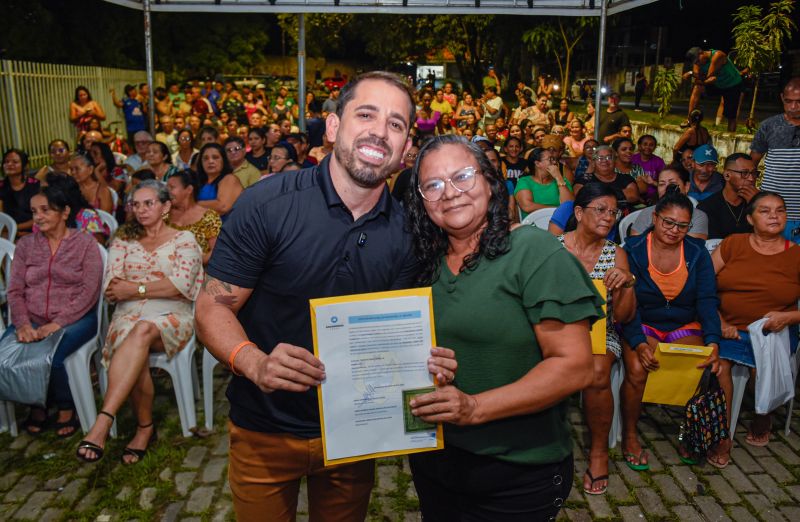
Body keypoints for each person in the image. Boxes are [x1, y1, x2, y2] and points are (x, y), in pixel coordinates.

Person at [194, 71, 457, 521]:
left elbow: (398, 335)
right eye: (366, 114)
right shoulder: (268, 204)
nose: (380, 130)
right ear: (333, 127)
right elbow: (210, 305)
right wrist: (255, 363)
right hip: (265, 428)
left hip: (354, 433)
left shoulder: (409, 233)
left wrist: (427, 364)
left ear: (405, 146)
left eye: (396, 123)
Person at [405, 134, 602, 520]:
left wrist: (474, 408)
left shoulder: (534, 252)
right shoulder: (421, 263)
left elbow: (576, 366)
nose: (450, 193)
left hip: (518, 468)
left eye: (463, 176)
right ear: (421, 200)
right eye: (433, 185)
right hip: (436, 459)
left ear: (491, 182)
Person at [76, 180, 203, 464]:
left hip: (172, 316)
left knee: (142, 330)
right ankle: (144, 428)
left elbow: (180, 286)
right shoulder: (123, 241)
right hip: (127, 317)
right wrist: (156, 284)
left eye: (149, 203)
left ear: (166, 206)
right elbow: (111, 287)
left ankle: (104, 422)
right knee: (134, 337)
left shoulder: (184, 240)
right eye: (136, 204)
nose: (141, 210)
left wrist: (135, 288)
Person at [621, 191, 721, 468]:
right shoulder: (632, 250)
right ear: (654, 218)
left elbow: (707, 300)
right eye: (668, 222)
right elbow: (627, 305)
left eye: (682, 226)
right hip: (642, 322)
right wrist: (639, 342)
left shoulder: (697, 253)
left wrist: (713, 341)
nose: (674, 231)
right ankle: (629, 435)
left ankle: (690, 434)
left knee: (699, 365)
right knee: (639, 370)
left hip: (683, 322)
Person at [709, 192, 800, 467]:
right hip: (728, 328)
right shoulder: (733, 244)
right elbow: (702, 287)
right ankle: (722, 435)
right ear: (750, 218)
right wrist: (718, 321)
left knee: (762, 370)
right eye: (765, 211)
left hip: (774, 330)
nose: (774, 215)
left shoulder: (796, 254)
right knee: (718, 366)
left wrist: (789, 317)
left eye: (780, 211)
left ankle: (763, 415)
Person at [5, 184, 103, 437]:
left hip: (77, 318)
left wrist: (58, 323)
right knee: (8, 352)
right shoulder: (26, 245)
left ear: (65, 211)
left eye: (46, 210)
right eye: (34, 211)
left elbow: (89, 291)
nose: (38, 217)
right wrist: (23, 323)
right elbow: (15, 291)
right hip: (33, 317)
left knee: (54, 356)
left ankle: (66, 406)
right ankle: (36, 402)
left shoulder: (85, 244)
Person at [558, 183, 636, 494]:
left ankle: (599, 451)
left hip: (600, 331)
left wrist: (626, 285)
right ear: (578, 212)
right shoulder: (554, 247)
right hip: (557, 329)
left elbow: (625, 317)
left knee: (599, 371)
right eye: (599, 210)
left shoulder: (616, 254)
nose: (608, 217)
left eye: (613, 212)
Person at [750, 78, 800, 243]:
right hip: (772, 216)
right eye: (789, 101)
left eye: (799, 102)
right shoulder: (768, 126)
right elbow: (751, 166)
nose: (793, 107)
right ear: (782, 98)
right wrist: (755, 196)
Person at [630, 167, 709, 240]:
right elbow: (634, 244)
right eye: (661, 184)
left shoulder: (698, 217)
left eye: (672, 184)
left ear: (686, 186)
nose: (667, 189)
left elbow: (693, 248)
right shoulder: (648, 213)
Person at [697, 153, 759, 240]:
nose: (751, 178)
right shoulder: (707, 207)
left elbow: (765, 238)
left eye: (754, 173)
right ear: (727, 175)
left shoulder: (756, 201)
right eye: (744, 173)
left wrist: (757, 205)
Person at [166, 169, 222, 265]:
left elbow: (216, 251)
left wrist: (193, 265)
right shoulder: (165, 214)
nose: (167, 192)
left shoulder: (209, 217)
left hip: (199, 273)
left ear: (189, 190)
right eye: (167, 188)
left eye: (172, 187)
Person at [683, 47, 743, 132]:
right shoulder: (697, 61)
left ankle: (730, 136)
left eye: (698, 61)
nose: (698, 64)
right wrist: (695, 75)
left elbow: (708, 76)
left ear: (702, 53)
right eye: (696, 63)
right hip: (717, 84)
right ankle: (690, 119)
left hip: (732, 84)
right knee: (697, 86)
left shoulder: (718, 55)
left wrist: (691, 74)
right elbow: (700, 78)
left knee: (731, 116)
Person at [573, 145, 639, 212]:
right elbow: (580, 196)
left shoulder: (625, 178)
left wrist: (595, 194)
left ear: (615, 161)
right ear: (593, 163)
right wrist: (620, 194)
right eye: (600, 158)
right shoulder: (584, 179)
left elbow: (633, 195)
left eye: (609, 157)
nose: (604, 160)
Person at [515, 147, 573, 220]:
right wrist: (557, 209)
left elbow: (569, 206)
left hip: (559, 224)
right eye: (550, 159)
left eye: (554, 159)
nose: (554, 162)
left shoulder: (562, 181)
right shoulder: (525, 181)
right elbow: (527, 206)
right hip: (533, 225)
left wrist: (558, 178)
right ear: (538, 163)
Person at [195, 143, 243, 218]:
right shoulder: (199, 182)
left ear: (223, 160)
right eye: (205, 158)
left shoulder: (230, 178)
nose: (210, 161)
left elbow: (223, 207)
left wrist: (193, 205)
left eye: (215, 157)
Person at [0, 149, 39, 237]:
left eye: (15, 162)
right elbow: (1, 219)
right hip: (7, 232)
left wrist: (15, 229)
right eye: (6, 162)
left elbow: (40, 216)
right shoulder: (1, 187)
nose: (9, 164)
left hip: (35, 230)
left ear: (25, 166)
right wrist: (14, 231)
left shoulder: (36, 185)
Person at [631, 134, 666, 204]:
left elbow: (665, 184)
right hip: (634, 195)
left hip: (653, 197)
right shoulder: (632, 159)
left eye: (651, 145)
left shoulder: (659, 162)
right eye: (645, 144)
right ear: (639, 146)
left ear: (655, 147)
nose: (648, 147)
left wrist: (653, 183)